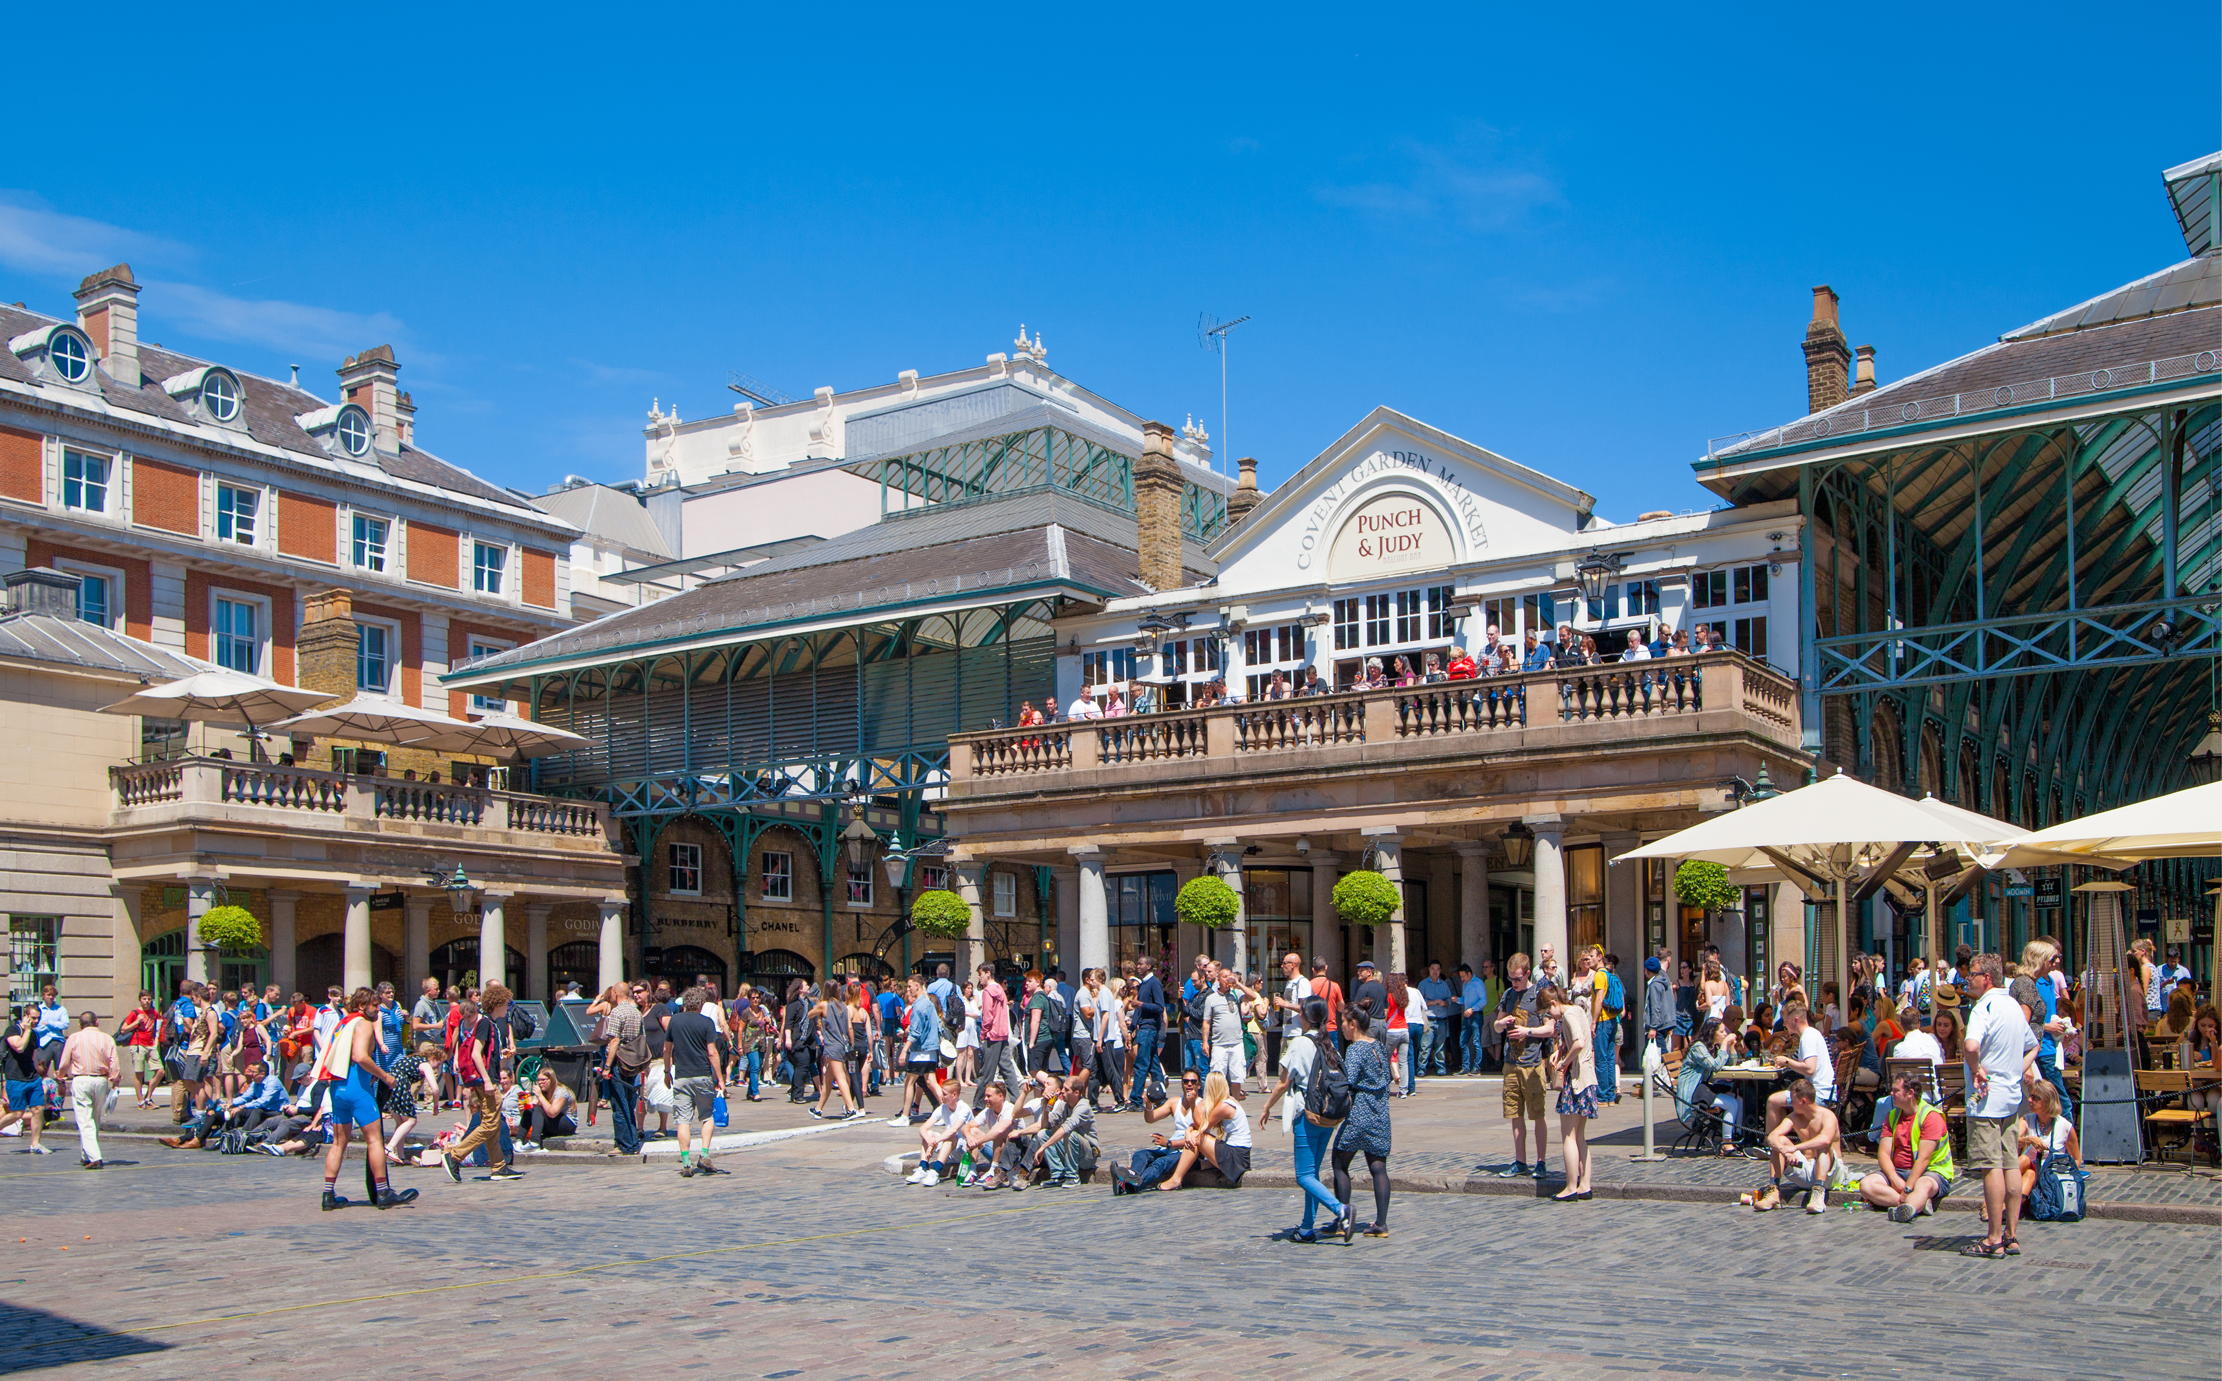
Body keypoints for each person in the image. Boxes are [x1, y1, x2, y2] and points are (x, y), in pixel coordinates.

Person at [1961, 952, 2038, 1258]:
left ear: (1987, 978)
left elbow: (1970, 1045)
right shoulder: (2013, 1006)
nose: (1970, 979)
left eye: (1973, 974)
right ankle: (2012, 1234)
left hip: (1986, 1100)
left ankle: (1993, 1237)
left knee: (1991, 1166)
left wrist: (1976, 1066)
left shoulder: (1984, 1007)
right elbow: (2033, 1044)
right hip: (2010, 1097)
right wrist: (2018, 1069)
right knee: (2010, 1164)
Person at [314, 988, 417, 1211]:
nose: (378, 1008)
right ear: (362, 1006)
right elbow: (360, 1056)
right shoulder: (362, 1024)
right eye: (373, 1005)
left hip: (337, 1086)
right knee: (374, 1139)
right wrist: (386, 1076)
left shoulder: (344, 1023)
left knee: (339, 1142)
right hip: (356, 1088)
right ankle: (383, 1192)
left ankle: (328, 1194)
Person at [1261, 997, 1345, 1241]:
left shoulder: (1299, 1043)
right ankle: (1307, 1227)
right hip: (1327, 1114)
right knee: (1313, 1174)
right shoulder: (1328, 1043)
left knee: (1304, 1176)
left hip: (1306, 1111)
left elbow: (1283, 1081)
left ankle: (1341, 1209)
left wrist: (1267, 1106)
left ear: (1306, 1016)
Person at [441, 986, 521, 1185]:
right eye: (507, 1004)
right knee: (490, 1124)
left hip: (475, 1078)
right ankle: (455, 1156)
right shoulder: (485, 1023)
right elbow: (476, 1053)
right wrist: (487, 1080)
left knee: (491, 1123)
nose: (508, 1008)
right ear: (499, 1004)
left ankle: (498, 1166)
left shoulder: (480, 1022)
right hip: (486, 1079)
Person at [1858, 1070, 1955, 1221]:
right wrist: (1894, 1178)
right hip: (1899, 1172)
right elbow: (1883, 1153)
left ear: (1910, 1093)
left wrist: (1908, 1187)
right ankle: (1915, 1204)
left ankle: (1909, 1206)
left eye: (1896, 1090)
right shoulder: (1892, 1115)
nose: (1891, 1094)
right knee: (1867, 1185)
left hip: (1931, 1172)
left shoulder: (1930, 1117)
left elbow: (1924, 1158)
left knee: (1923, 1185)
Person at [1329, 1003, 1392, 1235]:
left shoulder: (1355, 1049)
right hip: (1380, 1111)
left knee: (1339, 1161)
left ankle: (1342, 1219)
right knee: (1378, 1166)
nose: (1342, 1027)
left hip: (1360, 1111)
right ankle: (1381, 1222)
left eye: (1344, 1022)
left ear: (1352, 1025)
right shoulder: (1377, 1045)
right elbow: (1387, 1076)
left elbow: (1349, 1079)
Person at [1493, 953, 1551, 1180]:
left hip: (1532, 1063)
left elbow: (1550, 1028)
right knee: (1514, 1114)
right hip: (1511, 1063)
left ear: (1527, 974)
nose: (1514, 983)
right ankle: (1520, 1161)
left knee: (1537, 1114)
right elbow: (1497, 1026)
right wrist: (1501, 1023)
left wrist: (1528, 1031)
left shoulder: (1539, 994)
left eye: (1517, 979)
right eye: (1510, 979)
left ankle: (1541, 1161)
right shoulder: (1508, 995)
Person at [663, 987, 729, 1177]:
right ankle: (704, 1155)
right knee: (707, 1117)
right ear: (701, 1004)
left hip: (682, 1075)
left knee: (683, 1121)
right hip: (702, 1075)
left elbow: (667, 1049)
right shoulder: (706, 1022)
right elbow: (712, 1052)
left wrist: (667, 1071)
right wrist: (720, 1079)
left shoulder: (675, 1021)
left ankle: (685, 1162)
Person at [1542, 982, 1596, 1201]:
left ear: (1554, 1003)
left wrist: (1564, 1062)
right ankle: (1585, 1185)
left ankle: (1571, 1186)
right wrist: (1561, 1052)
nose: (1550, 1016)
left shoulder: (1570, 1014)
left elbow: (1579, 1042)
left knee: (1568, 1136)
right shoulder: (1578, 1011)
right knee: (1580, 1135)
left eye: (1548, 1011)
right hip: (1587, 1079)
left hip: (1577, 1082)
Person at [1116, 1070, 1203, 1195]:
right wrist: (1148, 1104)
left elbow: (1197, 1138)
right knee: (1140, 1155)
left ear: (1198, 1085)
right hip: (1170, 1147)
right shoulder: (1175, 1102)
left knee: (1160, 1163)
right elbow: (1150, 1118)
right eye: (1185, 1081)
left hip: (1188, 1152)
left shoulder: (1202, 1105)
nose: (1189, 1084)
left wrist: (1169, 1143)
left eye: (1193, 1082)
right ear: (1182, 1084)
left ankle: (1133, 1186)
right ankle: (1131, 1178)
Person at [1760, 1078, 1840, 1214]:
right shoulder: (1794, 1117)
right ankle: (1773, 1190)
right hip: (1805, 1170)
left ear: (1803, 1101)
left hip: (1830, 1174)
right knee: (1779, 1141)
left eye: (1792, 1100)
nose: (1790, 1104)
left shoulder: (1827, 1115)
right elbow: (1772, 1136)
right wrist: (1786, 1152)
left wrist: (1795, 1148)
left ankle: (1818, 1193)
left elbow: (1825, 1140)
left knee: (1822, 1145)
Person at [54, 1010, 120, 1169]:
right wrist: (115, 1079)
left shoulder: (74, 1038)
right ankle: (86, 1154)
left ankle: (95, 1156)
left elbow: (64, 1062)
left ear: (80, 1024)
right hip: (101, 1080)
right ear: (97, 1022)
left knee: (85, 1120)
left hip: (81, 1079)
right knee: (95, 1119)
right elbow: (114, 1062)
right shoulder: (107, 1038)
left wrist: (60, 1075)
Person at [1763, 1003, 1834, 1139]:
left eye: (1785, 1020)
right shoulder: (1811, 1033)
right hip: (1825, 1091)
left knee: (1773, 1100)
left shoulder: (1808, 1037)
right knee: (1781, 1097)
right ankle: (1779, 1140)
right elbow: (1799, 1060)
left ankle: (1771, 1143)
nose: (1784, 1024)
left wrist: (1787, 1062)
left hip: (1818, 1094)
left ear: (1795, 1020)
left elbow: (1809, 1068)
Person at [1675, 1017, 1744, 1148]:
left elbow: (1730, 1064)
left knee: (1739, 1099)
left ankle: (1738, 1136)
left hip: (1703, 1091)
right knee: (1732, 1103)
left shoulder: (1711, 1047)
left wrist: (1731, 1047)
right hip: (1693, 1096)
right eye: (1722, 1032)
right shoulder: (1698, 1047)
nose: (1725, 1034)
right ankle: (1727, 1143)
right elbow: (1716, 1066)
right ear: (1712, 1032)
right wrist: (1724, 1045)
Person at [2016, 1078, 2079, 1202]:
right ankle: (2010, 1208)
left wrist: (2063, 1173)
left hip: (2051, 1172)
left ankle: (1996, 1204)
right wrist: (2029, 1140)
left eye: (2035, 1098)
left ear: (2046, 1101)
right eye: (2030, 1096)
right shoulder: (2026, 1120)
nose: (2029, 1100)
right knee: (2028, 1170)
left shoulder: (2065, 1126)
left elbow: (2076, 1159)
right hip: (2030, 1170)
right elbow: (2013, 1140)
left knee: (2026, 1165)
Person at [895, 976, 944, 1123]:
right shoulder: (928, 1003)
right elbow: (937, 1026)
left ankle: (905, 1115)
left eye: (910, 986)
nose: (908, 989)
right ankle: (948, 1111)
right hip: (931, 1048)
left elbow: (915, 1032)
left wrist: (904, 1051)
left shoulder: (919, 1005)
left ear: (917, 986)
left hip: (920, 1051)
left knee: (909, 1082)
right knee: (931, 1082)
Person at [381, 1042, 441, 1160]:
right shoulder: (425, 1064)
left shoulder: (412, 1059)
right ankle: (389, 1147)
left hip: (390, 1087)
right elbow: (435, 1089)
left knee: (400, 1124)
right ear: (433, 1058)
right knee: (411, 1121)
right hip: (401, 1087)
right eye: (438, 1064)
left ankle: (400, 1155)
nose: (437, 1067)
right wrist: (435, 1106)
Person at [908, 1079, 974, 1186]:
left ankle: (936, 1172)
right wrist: (929, 1140)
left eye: (944, 1094)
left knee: (950, 1135)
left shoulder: (964, 1109)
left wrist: (934, 1142)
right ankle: (923, 1167)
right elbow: (923, 1128)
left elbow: (953, 1129)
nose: (941, 1096)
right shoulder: (942, 1108)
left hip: (964, 1148)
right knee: (929, 1134)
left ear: (954, 1095)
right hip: (950, 1147)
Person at [972, 961, 1020, 1106]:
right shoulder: (999, 989)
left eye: (980, 974)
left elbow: (987, 1016)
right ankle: (1016, 1098)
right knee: (1007, 1068)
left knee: (987, 1071)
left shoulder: (987, 992)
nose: (979, 978)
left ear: (988, 973)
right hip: (1003, 1033)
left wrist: (983, 1033)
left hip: (992, 1035)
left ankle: (979, 1103)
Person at [2, 1006, 48, 1154]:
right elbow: (19, 1047)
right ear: (26, 1016)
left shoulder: (35, 1035)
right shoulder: (13, 1030)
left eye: (38, 1018)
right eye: (33, 1018)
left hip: (32, 1078)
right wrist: (27, 1030)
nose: (35, 1021)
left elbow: (34, 1055)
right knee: (17, 1113)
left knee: (38, 1109)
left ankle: (35, 1144)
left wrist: (40, 1073)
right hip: (15, 1078)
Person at [1126, 956, 1166, 1112]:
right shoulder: (1143, 984)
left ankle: (1136, 1099)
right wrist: (1131, 1029)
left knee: (1141, 1064)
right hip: (1143, 1028)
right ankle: (1160, 1095)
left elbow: (1159, 1006)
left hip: (1149, 1029)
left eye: (1141, 964)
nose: (1138, 966)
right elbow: (1138, 1010)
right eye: (1138, 963)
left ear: (1149, 966)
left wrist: (1140, 1004)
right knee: (1153, 1065)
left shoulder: (1154, 983)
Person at [119, 992, 162, 1109]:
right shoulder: (135, 1013)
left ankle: (148, 1096)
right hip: (138, 1044)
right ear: (140, 1000)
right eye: (144, 999)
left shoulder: (154, 1013)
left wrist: (156, 1041)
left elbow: (158, 1028)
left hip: (150, 1044)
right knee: (139, 1073)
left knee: (160, 1071)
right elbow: (123, 1029)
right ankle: (140, 1101)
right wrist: (137, 1022)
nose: (147, 1001)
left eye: (149, 999)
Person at [518, 1068, 577, 1150]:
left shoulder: (561, 1091)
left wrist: (540, 1096)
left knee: (538, 1109)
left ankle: (535, 1142)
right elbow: (533, 1109)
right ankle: (519, 1141)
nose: (540, 1083)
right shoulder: (543, 1091)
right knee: (530, 1110)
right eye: (538, 1080)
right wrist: (524, 1108)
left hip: (568, 1124)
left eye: (543, 1080)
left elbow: (553, 1113)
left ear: (551, 1080)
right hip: (552, 1123)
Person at [1641, 956, 1676, 1062]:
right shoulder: (1664, 983)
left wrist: (1653, 1027)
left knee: (1661, 1054)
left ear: (1647, 970)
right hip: (1666, 1022)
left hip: (1658, 1026)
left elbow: (1655, 1007)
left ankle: (1668, 1075)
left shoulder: (1654, 985)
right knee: (1658, 1053)